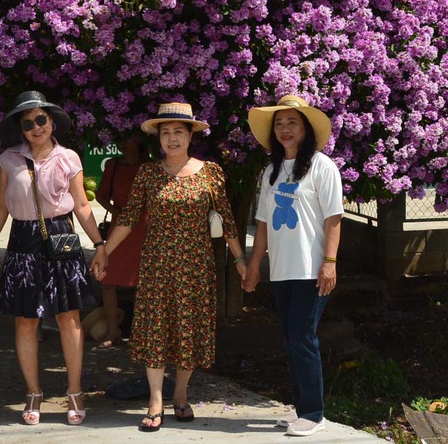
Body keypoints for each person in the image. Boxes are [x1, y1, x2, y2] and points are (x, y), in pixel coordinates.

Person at [90, 102, 246, 433]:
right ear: (158, 138)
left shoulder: (211, 173)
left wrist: (240, 259)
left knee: (190, 332)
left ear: (191, 136)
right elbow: (129, 217)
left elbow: (228, 220)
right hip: (156, 266)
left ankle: (181, 393)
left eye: (178, 132)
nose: (172, 139)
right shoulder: (148, 173)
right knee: (156, 331)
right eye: (165, 133)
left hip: (196, 267)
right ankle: (156, 400)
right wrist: (104, 251)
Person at [0, 91, 105, 427]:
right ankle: (33, 392)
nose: (36, 127)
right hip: (22, 239)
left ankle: (75, 391)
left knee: (69, 318)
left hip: (61, 237)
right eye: (28, 122)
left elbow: (81, 205)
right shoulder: (8, 159)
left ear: (51, 122)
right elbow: (3, 206)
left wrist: (100, 243)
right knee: (25, 320)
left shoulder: (69, 158)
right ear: (20, 128)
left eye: (41, 120)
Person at [243, 94, 344, 439]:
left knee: (303, 337)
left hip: (311, 270)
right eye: (280, 123)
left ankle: (314, 413)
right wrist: (255, 265)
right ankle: (303, 410)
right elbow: (262, 224)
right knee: (291, 338)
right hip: (282, 270)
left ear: (306, 129)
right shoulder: (270, 171)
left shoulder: (322, 166)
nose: (285, 129)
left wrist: (329, 263)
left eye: (293, 123)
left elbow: (334, 219)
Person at [97, 134, 150, 347]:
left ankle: (139, 333)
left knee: (143, 283)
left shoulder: (150, 167)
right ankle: (113, 331)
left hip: (145, 230)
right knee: (107, 281)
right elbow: (101, 196)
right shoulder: (113, 165)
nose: (123, 143)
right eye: (120, 139)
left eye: (127, 138)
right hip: (118, 229)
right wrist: (116, 213)